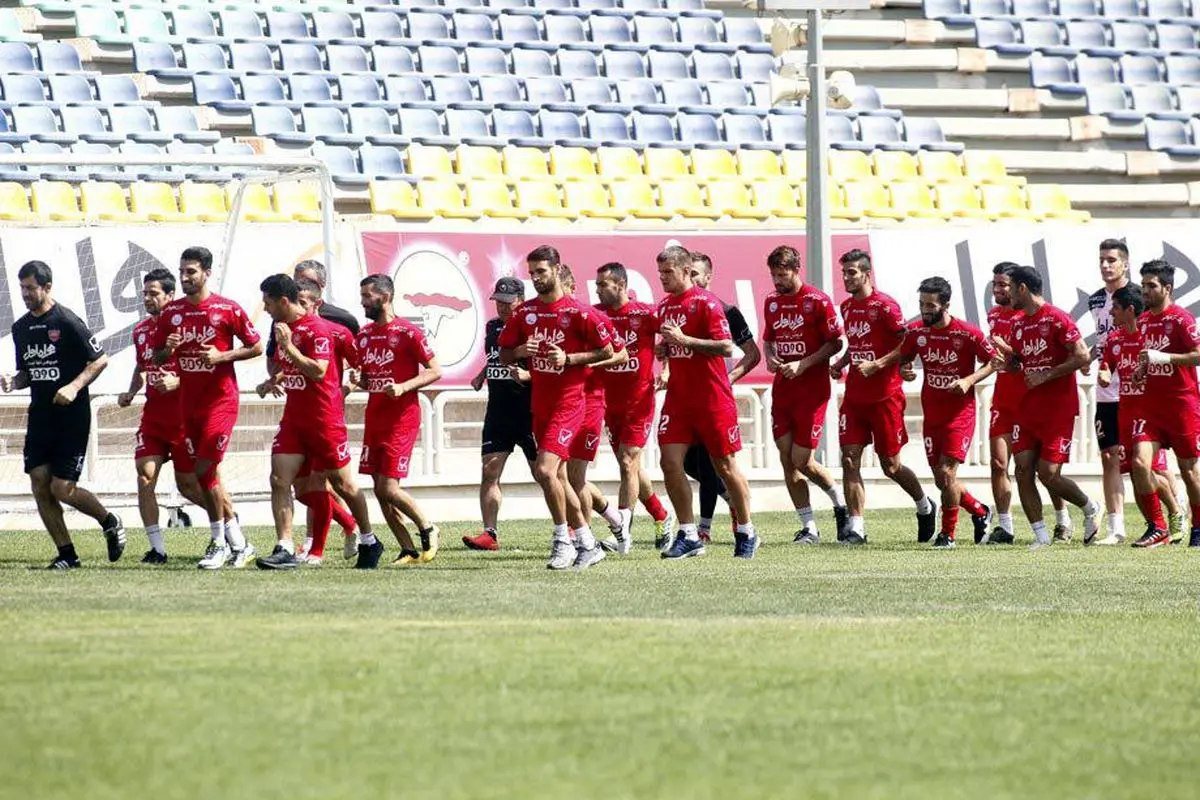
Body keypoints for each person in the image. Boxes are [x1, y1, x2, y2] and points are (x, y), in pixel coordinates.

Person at [1, 260, 125, 569]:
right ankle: (67, 554)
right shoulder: (21, 328)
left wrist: (74, 386)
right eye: (22, 288)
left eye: (31, 288)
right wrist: (14, 381)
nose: (25, 294)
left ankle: (109, 520)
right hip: (40, 417)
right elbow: (27, 372)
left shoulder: (67, 321)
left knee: (61, 488)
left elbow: (99, 359)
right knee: (39, 482)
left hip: (71, 418)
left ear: (47, 287)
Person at [499, 245, 614, 570]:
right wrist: (520, 351)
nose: (536, 278)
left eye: (541, 272)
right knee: (559, 478)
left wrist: (569, 358)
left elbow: (608, 351)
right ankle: (588, 544)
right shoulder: (525, 313)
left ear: (557, 270)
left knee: (545, 470)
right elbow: (504, 353)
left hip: (570, 404)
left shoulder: (580, 313)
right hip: (541, 404)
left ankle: (562, 540)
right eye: (532, 273)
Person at [252, 275, 378, 570]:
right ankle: (284, 547)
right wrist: (273, 380)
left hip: (324, 420)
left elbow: (318, 371)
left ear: (284, 301)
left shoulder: (318, 329)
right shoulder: (283, 328)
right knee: (281, 481)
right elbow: (290, 366)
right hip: (293, 420)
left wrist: (289, 347)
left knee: (344, 485)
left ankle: (369, 539)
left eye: (268, 303)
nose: (265, 308)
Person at [152, 246, 262, 569]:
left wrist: (221, 356)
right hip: (188, 405)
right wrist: (167, 349)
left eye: (191, 272)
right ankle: (239, 544)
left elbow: (256, 346)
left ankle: (218, 543)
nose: (185, 277)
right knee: (200, 479)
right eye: (182, 272)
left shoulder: (226, 309)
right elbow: (157, 356)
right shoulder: (172, 313)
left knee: (204, 470)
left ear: (207, 273)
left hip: (221, 403)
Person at [655, 245, 758, 559]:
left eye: (668, 272)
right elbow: (674, 345)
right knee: (669, 462)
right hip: (679, 400)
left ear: (686, 270)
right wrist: (665, 349)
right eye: (660, 273)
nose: (662, 278)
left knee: (724, 467)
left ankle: (746, 530)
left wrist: (685, 340)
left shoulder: (707, 303)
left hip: (712, 398)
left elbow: (726, 347)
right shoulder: (664, 306)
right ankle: (689, 534)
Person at [990, 266, 1100, 549]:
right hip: (1027, 407)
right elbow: (1020, 361)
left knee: (1048, 473)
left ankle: (1090, 507)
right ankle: (1041, 536)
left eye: (1011, 289)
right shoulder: (1017, 323)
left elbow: (1082, 356)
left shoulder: (1057, 318)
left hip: (1058, 407)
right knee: (1022, 470)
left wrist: (1047, 375)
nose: (1008, 295)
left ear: (1022, 289)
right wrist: (1007, 362)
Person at [832, 249, 936, 545]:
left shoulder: (885, 306)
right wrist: (841, 363)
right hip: (854, 397)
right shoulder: (847, 307)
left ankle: (924, 505)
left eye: (852, 272)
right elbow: (857, 344)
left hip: (885, 396)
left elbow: (906, 342)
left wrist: (879, 364)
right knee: (849, 459)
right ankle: (856, 528)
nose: (846, 278)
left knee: (890, 466)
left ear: (867, 274)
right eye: (844, 272)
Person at [892, 277, 996, 547]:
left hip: (960, 415)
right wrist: (905, 370)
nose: (925, 310)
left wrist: (969, 380)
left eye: (930, 305)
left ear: (946, 305)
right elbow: (904, 358)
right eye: (921, 304)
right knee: (942, 480)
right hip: (933, 415)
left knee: (948, 473)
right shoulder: (916, 333)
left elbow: (993, 361)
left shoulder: (967, 333)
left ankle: (948, 534)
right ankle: (980, 511)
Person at [116, 268, 206, 564]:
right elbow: (142, 366)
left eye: (153, 293)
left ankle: (227, 522)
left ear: (170, 295)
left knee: (189, 487)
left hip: (183, 420)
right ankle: (157, 549)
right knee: (145, 478)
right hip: (153, 419)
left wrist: (178, 382)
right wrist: (131, 391)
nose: (147, 298)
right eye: (144, 293)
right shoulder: (141, 330)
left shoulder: (185, 328)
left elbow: (203, 370)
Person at [760, 245, 848, 544]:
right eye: (774, 275)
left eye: (782, 275)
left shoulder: (817, 300)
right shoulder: (771, 302)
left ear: (796, 270)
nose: (777, 281)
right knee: (787, 459)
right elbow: (769, 339)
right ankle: (809, 526)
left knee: (802, 460)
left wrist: (804, 363)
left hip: (812, 391)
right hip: (783, 390)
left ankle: (840, 503)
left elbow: (836, 343)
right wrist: (770, 357)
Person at [355, 274, 443, 567]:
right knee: (379, 490)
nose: (363, 302)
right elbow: (368, 377)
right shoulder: (364, 335)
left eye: (367, 296)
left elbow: (435, 370)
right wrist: (359, 380)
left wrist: (404, 387)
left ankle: (428, 527)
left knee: (388, 488)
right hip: (375, 419)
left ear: (386, 297)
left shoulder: (408, 332)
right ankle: (408, 549)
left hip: (401, 420)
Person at [984, 263, 1070, 545]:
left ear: (1018, 287)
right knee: (999, 463)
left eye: (1003, 285)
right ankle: (1006, 527)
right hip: (1003, 400)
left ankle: (1062, 519)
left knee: (1046, 469)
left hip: (1031, 400)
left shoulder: (1030, 315)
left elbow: (1027, 358)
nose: (998, 290)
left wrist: (1008, 351)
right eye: (995, 284)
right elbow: (1005, 361)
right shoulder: (994, 315)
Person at [594, 262, 676, 552]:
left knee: (628, 462)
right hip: (609, 404)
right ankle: (661, 515)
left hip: (639, 401)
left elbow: (671, 336)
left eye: (603, 284)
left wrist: (666, 368)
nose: (597, 289)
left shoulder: (644, 313)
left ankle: (622, 533)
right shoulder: (596, 314)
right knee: (629, 465)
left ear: (620, 285)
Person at [683, 251, 761, 544]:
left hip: (714, 399)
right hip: (687, 397)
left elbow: (752, 354)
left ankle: (703, 529)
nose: (691, 279)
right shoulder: (681, 310)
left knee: (708, 464)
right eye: (687, 273)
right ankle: (730, 497)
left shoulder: (727, 311)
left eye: (695, 274)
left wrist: (728, 379)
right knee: (684, 462)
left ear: (708, 277)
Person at [1096, 284, 1182, 545]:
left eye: (1115, 307)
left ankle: (1171, 516)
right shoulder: (1114, 339)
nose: (1111, 312)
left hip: (1150, 412)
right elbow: (1106, 365)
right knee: (1137, 472)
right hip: (1125, 412)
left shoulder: (1150, 336)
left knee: (1145, 467)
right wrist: (1104, 374)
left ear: (1130, 309)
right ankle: (1160, 523)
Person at [560, 265, 630, 551]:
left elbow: (621, 354)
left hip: (590, 403)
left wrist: (582, 361)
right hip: (562, 404)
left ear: (570, 286)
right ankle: (615, 520)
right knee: (561, 475)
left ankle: (582, 539)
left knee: (574, 477)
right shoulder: (549, 318)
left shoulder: (589, 316)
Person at [1131, 258, 1200, 548]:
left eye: (1151, 285)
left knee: (1189, 471)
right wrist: (1141, 369)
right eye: (1143, 285)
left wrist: (1166, 358)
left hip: (1182, 405)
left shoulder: (1181, 319)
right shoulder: (1144, 321)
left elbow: (1198, 354)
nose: (1145, 291)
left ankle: (1198, 526)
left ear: (1167, 288)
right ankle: (1157, 527)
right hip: (1150, 407)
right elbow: (1148, 357)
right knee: (1138, 463)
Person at [464, 277, 536, 552]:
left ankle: (571, 529)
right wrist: (483, 374)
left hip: (528, 411)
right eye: (498, 301)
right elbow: (496, 355)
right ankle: (489, 533)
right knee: (489, 470)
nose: (503, 307)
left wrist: (528, 376)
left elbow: (549, 367)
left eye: (508, 302)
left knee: (545, 475)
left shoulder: (533, 327)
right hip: (498, 411)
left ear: (521, 300)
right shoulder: (492, 326)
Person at [1088, 239, 1132, 544]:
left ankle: (1174, 505)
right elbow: (1103, 340)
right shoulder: (1094, 300)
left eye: (1112, 260)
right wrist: (1088, 357)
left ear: (1125, 264)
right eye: (1102, 259)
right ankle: (1116, 528)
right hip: (1106, 389)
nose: (1105, 265)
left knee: (1145, 462)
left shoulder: (1138, 296)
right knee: (1108, 456)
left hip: (1133, 389)